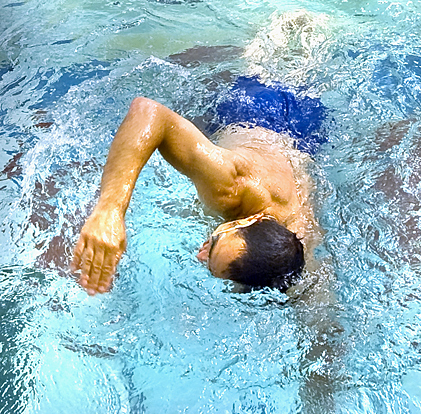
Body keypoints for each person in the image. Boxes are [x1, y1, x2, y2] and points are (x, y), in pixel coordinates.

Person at [71, 96, 324, 295]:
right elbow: (148, 111)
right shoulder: (230, 186)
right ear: (248, 220)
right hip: (255, 110)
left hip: (308, 136)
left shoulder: (296, 248)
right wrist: (110, 210)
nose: (199, 255)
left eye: (209, 260)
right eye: (212, 244)